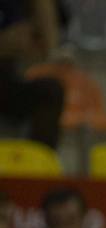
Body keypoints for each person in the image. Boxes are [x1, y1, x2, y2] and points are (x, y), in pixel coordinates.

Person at [0, 0, 63, 149]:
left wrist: (48, 49)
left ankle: (38, 162)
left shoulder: (12, 7)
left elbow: (27, 44)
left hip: (7, 77)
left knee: (51, 90)